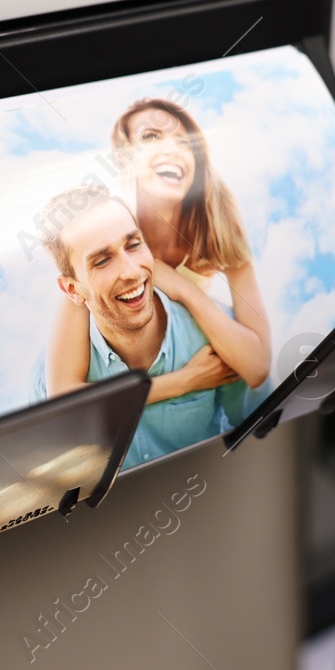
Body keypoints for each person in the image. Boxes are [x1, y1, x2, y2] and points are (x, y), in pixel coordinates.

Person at [44, 98, 272, 427]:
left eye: (185, 142)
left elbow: (256, 367)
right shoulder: (104, 235)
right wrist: (185, 381)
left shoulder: (221, 230)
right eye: (151, 137)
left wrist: (187, 292)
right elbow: (63, 395)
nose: (173, 149)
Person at [32, 185, 236, 467]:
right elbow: (59, 467)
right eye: (102, 261)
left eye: (133, 244)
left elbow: (259, 423)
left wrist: (188, 292)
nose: (130, 270)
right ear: (71, 289)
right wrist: (186, 381)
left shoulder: (212, 333)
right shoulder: (48, 377)